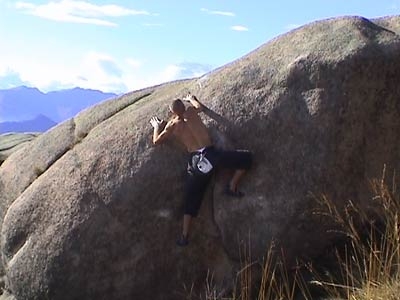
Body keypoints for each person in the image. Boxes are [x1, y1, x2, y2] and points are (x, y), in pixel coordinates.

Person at [150, 93, 252, 246]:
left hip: (197, 163)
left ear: (172, 112)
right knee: (246, 159)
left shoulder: (172, 125)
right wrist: (192, 98)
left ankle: (184, 236)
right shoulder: (191, 111)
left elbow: (156, 141)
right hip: (212, 156)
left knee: (192, 198)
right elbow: (200, 107)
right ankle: (232, 186)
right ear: (184, 107)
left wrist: (157, 127)